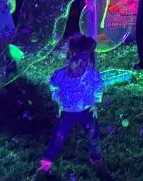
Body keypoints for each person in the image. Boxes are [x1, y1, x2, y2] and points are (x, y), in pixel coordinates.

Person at [40, 35, 104, 172]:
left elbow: (99, 86)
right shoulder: (59, 75)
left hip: (87, 111)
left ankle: (96, 158)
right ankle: (47, 162)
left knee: (93, 136)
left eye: (85, 59)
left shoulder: (91, 74)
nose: (81, 64)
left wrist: (95, 103)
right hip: (66, 112)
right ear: (69, 57)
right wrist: (58, 100)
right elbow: (53, 86)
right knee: (57, 137)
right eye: (77, 59)